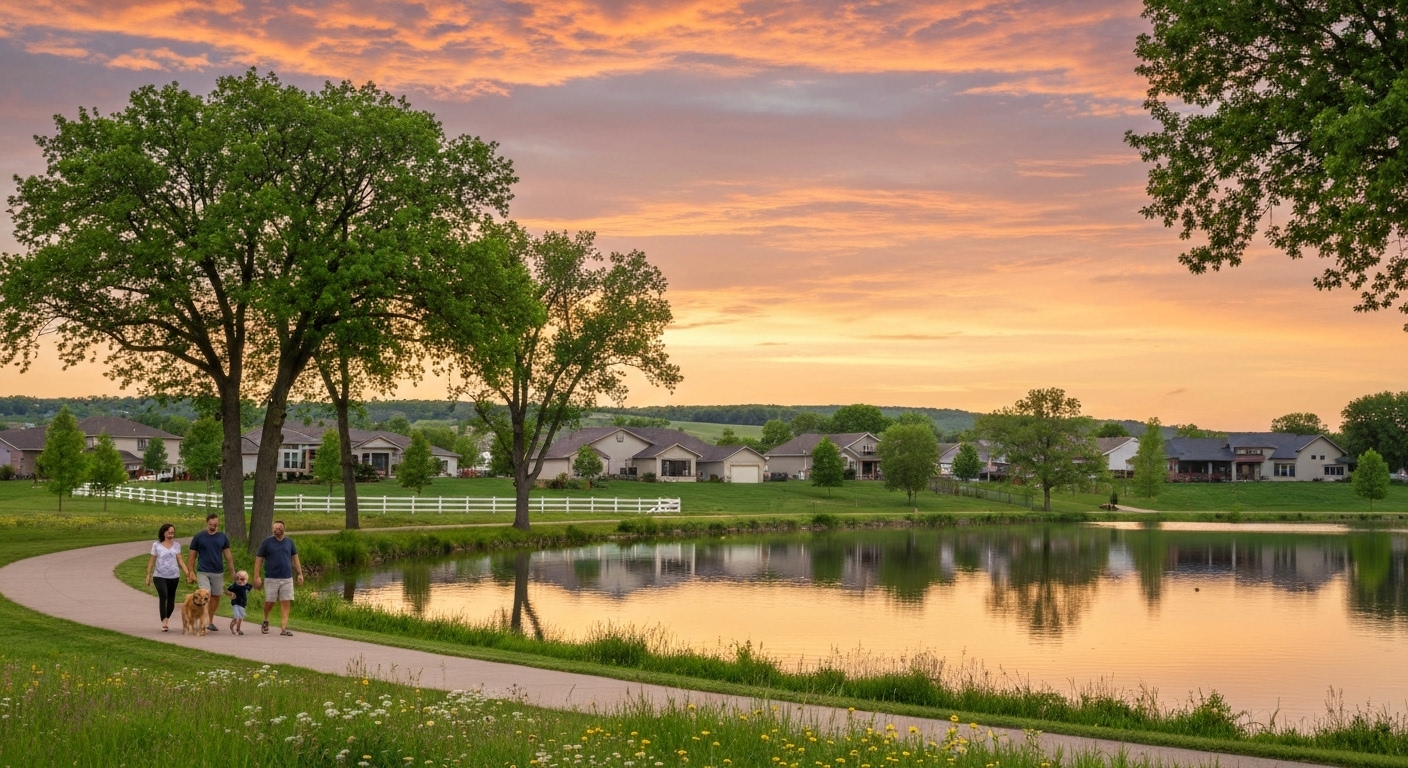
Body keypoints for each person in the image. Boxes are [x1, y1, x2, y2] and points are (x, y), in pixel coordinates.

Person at [253, 520, 303, 636]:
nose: (276, 530)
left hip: (287, 578)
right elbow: (259, 559)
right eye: (274, 528)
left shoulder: (289, 542)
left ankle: (284, 628)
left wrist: (300, 574)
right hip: (271, 578)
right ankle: (266, 619)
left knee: (286, 602)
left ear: (283, 529)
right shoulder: (267, 542)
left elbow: (295, 558)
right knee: (270, 601)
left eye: (279, 528)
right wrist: (257, 576)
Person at [186, 512, 234, 633]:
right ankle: (204, 620)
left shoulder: (222, 537)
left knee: (216, 596)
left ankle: (210, 621)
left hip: (217, 571)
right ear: (207, 523)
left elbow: (228, 556)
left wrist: (233, 571)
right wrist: (190, 571)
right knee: (205, 594)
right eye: (211, 524)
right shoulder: (199, 537)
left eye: (216, 525)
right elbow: (192, 555)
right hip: (203, 571)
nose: (213, 527)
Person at [144, 523, 191, 632]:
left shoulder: (176, 545)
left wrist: (188, 573)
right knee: (163, 595)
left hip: (174, 576)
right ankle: (164, 622)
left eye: (172, 533)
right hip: (159, 575)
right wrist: (148, 575)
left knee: (171, 600)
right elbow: (151, 561)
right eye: (169, 533)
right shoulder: (156, 545)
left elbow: (180, 561)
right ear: (164, 533)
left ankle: (167, 617)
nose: (171, 535)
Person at [225, 570, 253, 635]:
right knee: (237, 615)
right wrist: (230, 594)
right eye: (239, 579)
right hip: (235, 602)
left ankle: (237, 626)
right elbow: (228, 590)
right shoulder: (235, 585)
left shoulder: (246, 585)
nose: (241, 581)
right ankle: (235, 628)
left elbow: (251, 587)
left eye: (243, 579)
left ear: (246, 580)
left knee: (241, 616)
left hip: (242, 603)